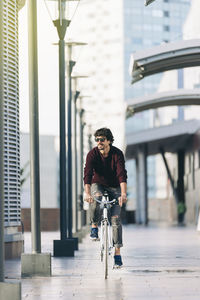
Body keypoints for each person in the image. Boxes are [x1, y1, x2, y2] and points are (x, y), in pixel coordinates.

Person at [84, 127, 127, 268]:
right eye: (97, 140)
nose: (99, 142)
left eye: (102, 139)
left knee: (115, 219)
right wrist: (87, 193)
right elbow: (88, 175)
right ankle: (94, 226)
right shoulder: (92, 154)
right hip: (98, 184)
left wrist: (123, 193)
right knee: (96, 197)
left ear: (109, 141)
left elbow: (122, 174)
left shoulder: (117, 154)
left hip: (115, 187)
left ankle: (117, 253)